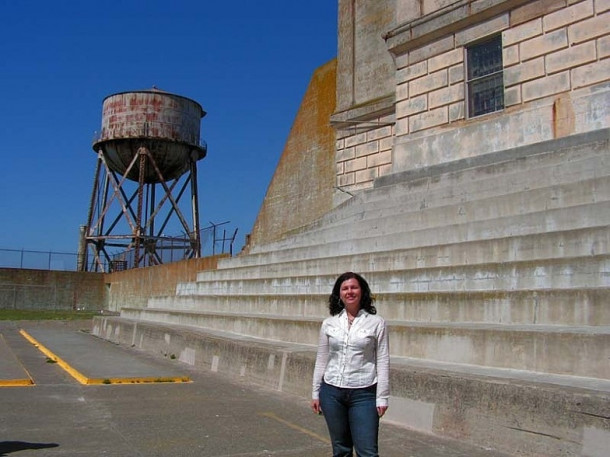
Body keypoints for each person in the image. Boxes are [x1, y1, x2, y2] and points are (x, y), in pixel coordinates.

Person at [311, 272, 390, 457]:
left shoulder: (376, 323)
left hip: (364, 393)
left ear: (362, 292)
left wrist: (382, 397)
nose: (350, 291)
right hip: (332, 393)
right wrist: (315, 392)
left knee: (367, 451)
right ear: (339, 294)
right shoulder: (329, 323)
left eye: (354, 287)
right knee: (341, 450)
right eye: (345, 288)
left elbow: (383, 360)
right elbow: (322, 358)